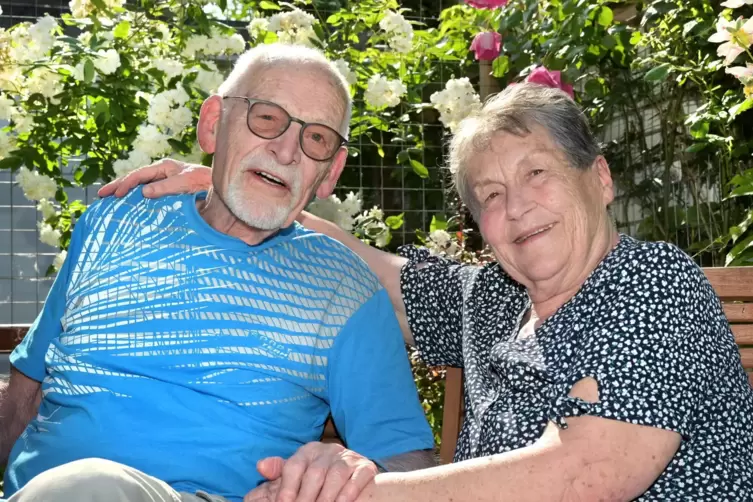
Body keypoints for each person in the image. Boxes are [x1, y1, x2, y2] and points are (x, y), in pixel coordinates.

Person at [107, 81, 753, 501]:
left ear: (601, 179)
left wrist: (359, 492)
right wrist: (239, 185)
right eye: (491, 197)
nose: (518, 208)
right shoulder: (492, 302)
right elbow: (377, 274)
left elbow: (583, 476)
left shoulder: (653, 285)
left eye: (537, 174)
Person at [0, 43, 436, 502]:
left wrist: (352, 469)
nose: (287, 151)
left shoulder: (345, 289)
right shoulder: (114, 221)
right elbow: (21, 402)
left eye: (317, 139)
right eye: (267, 118)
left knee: (89, 486)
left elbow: (408, 464)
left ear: (330, 173)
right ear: (212, 125)